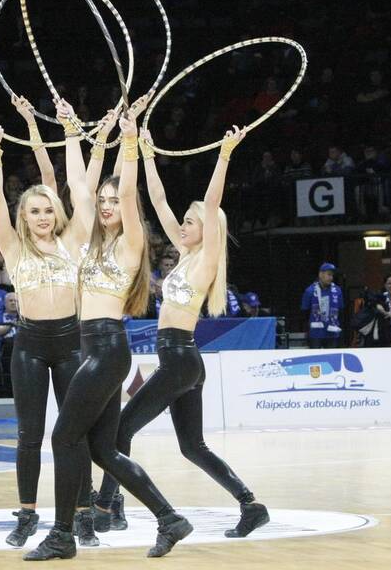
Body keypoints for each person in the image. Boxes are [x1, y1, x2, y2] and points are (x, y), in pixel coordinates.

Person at [26, 107, 192, 561]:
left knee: (63, 438)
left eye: (114, 201)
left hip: (108, 349)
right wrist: (68, 131)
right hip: (92, 350)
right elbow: (78, 187)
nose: (105, 205)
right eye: (104, 200)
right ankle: (170, 519)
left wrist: (130, 142)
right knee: (103, 450)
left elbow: (129, 188)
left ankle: (62, 535)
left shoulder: (130, 243)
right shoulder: (88, 243)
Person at [93, 126, 268, 538]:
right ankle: (250, 504)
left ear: (208, 228)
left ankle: (108, 506)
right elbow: (157, 201)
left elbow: (210, 203)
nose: (184, 226)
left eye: (191, 222)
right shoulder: (185, 254)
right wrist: (147, 155)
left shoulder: (206, 259)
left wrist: (224, 154)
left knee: (119, 429)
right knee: (193, 447)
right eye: (185, 222)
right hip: (183, 360)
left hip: (179, 360)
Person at [0, 99, 97, 549]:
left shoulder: (73, 241)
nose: (43, 216)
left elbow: (82, 191)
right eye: (35, 211)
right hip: (29, 345)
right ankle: (27, 514)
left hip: (72, 343)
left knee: (74, 435)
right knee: (29, 435)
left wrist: (71, 132)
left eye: (48, 209)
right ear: (24, 217)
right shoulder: (13, 248)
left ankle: (84, 515)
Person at [301, 263, 343, 349]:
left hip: (333, 332)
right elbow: (305, 311)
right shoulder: (310, 291)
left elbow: (341, 309)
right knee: (315, 359)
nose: (331, 277)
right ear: (320, 274)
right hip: (316, 332)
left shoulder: (337, 290)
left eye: (332, 275)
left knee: (332, 359)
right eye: (329, 274)